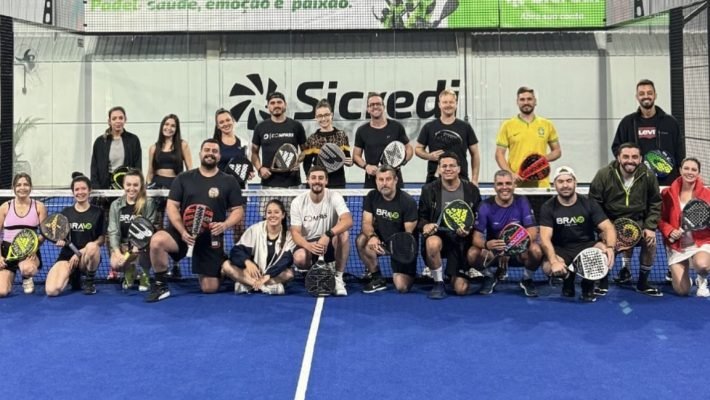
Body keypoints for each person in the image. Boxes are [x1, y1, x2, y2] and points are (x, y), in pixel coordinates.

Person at [146, 139, 246, 302]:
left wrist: (225, 225)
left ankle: (222, 264)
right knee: (157, 241)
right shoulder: (183, 178)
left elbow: (238, 210)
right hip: (184, 232)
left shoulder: (229, 181)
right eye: (207, 150)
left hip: (210, 236)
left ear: (219, 156)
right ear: (200, 153)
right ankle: (160, 285)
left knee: (209, 288)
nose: (210, 153)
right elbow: (172, 206)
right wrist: (182, 231)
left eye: (214, 151)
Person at [589, 142, 662, 296]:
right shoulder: (603, 175)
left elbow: (655, 203)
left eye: (635, 157)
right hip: (610, 223)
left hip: (639, 223)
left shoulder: (648, 175)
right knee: (604, 246)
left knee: (651, 243)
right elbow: (594, 204)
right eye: (626, 156)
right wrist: (603, 228)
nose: (630, 160)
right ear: (618, 158)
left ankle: (642, 283)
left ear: (640, 159)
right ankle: (602, 282)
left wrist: (650, 227)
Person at [540, 167, 616, 302]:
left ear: (575, 182)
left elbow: (608, 227)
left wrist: (610, 247)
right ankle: (568, 279)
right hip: (561, 249)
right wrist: (554, 261)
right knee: (547, 267)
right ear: (554, 185)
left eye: (569, 181)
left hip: (586, 247)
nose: (565, 185)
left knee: (604, 251)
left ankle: (588, 284)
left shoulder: (589, 203)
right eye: (560, 181)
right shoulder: (548, 207)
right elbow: (545, 239)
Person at [467, 170, 542, 297]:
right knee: (472, 254)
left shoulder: (522, 201)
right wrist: (487, 244)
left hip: (518, 251)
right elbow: (476, 237)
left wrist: (512, 247)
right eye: (500, 184)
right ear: (494, 186)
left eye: (508, 183)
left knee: (536, 250)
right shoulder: (485, 205)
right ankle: (489, 276)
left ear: (514, 185)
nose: (504, 187)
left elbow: (533, 232)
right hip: (495, 254)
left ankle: (526, 279)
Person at [418, 152, 481, 299]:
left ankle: (466, 272)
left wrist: (469, 229)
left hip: (460, 242)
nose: (448, 169)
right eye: (444, 166)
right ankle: (438, 282)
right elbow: (421, 218)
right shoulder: (428, 190)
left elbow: (478, 218)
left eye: (452, 166)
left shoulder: (471, 190)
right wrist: (425, 226)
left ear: (459, 169)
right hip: (439, 236)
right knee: (432, 243)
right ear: (439, 169)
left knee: (461, 289)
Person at [291, 166, 353, 296]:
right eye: (313, 178)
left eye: (320, 178)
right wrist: (308, 245)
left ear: (326, 181)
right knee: (299, 258)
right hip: (310, 245)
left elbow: (348, 221)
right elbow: (295, 233)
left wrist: (327, 235)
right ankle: (312, 271)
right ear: (308, 180)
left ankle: (338, 277)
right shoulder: (297, 202)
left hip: (329, 242)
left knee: (344, 234)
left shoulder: (335, 196)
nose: (317, 181)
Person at [356, 165, 418, 293]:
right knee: (362, 240)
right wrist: (372, 236)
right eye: (381, 179)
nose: (384, 183)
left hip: (402, 246)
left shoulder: (407, 202)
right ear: (376, 181)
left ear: (396, 180)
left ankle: (407, 271)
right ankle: (377, 277)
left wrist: (393, 248)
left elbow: (407, 235)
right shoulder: (372, 196)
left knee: (401, 287)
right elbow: (366, 222)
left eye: (388, 179)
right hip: (382, 241)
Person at [611, 79, 684, 187]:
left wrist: (680, 175)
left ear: (655, 95)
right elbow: (617, 148)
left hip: (666, 182)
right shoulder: (627, 123)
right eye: (641, 93)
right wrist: (630, 165)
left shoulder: (670, 122)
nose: (646, 96)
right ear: (637, 97)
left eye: (649, 93)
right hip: (636, 181)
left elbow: (679, 151)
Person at [45, 173, 105, 296]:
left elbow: (101, 239)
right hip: (67, 256)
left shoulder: (98, 212)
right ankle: (73, 276)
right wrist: (60, 241)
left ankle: (89, 282)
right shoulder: (66, 212)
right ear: (73, 192)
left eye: (83, 188)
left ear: (89, 190)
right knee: (52, 291)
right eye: (77, 189)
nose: (80, 192)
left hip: (86, 257)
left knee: (93, 247)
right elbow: (60, 234)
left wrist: (81, 252)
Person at [658, 158, 710, 297]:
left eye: (694, 169)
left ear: (698, 173)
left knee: (702, 265)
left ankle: (702, 279)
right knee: (682, 290)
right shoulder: (667, 193)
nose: (690, 172)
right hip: (677, 245)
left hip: (701, 242)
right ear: (680, 170)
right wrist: (669, 231)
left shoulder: (707, 195)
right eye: (686, 168)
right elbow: (660, 219)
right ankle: (687, 280)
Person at [222, 199, 295, 295]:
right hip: (253, 273)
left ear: (283, 215)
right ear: (265, 215)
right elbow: (236, 251)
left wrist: (269, 275)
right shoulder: (255, 229)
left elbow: (286, 260)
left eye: (276, 212)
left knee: (289, 274)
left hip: (272, 275)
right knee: (226, 265)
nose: (272, 215)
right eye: (269, 212)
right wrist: (247, 262)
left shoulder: (289, 236)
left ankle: (247, 285)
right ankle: (263, 287)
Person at [495, 86, 561, 188]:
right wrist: (511, 174)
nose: (526, 102)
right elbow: (499, 154)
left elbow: (557, 151)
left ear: (535, 101)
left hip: (541, 184)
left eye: (529, 99)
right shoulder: (507, 125)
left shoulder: (547, 124)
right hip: (517, 184)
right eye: (522, 99)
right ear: (517, 102)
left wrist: (540, 161)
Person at [416, 88, 480, 184]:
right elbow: (418, 149)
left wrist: (475, 179)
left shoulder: (465, 127)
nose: (448, 105)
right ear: (439, 105)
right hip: (434, 180)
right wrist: (429, 156)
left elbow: (475, 154)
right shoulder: (429, 127)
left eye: (451, 102)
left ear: (456, 104)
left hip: (461, 179)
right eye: (445, 102)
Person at [107, 169, 157, 292]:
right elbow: (113, 231)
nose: (131, 188)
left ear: (141, 186)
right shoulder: (115, 205)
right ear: (123, 185)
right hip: (124, 245)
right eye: (128, 184)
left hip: (143, 245)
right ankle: (130, 270)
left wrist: (138, 244)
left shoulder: (149, 203)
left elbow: (149, 227)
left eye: (135, 185)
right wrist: (117, 253)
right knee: (115, 264)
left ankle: (145, 273)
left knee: (151, 244)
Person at [353, 92, 413, 189]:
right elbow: (356, 156)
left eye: (378, 104)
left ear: (383, 107)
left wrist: (402, 162)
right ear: (368, 109)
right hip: (371, 182)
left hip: (394, 182)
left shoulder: (396, 127)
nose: (375, 107)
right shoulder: (362, 131)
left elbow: (409, 148)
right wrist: (366, 166)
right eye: (372, 105)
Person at [0, 173, 47, 296]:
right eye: (18, 185)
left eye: (26, 184)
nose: (22, 188)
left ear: (31, 187)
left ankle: (26, 277)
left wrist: (34, 248)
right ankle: (9, 276)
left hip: (28, 252)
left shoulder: (39, 207)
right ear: (13, 188)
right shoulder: (4, 207)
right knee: (2, 291)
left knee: (28, 269)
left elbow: (44, 233)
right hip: (7, 251)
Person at [251, 92, 307, 189]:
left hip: (292, 184)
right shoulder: (260, 127)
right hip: (268, 184)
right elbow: (254, 153)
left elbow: (306, 150)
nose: (276, 105)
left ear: (285, 104)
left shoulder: (296, 126)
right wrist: (260, 169)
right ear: (268, 106)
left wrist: (297, 161)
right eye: (272, 103)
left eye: (279, 102)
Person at [301, 99, 353, 188]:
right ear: (316, 117)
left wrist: (350, 163)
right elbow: (307, 164)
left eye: (326, 115)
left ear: (331, 115)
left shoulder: (342, 135)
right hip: (318, 184)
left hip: (337, 183)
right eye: (320, 116)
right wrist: (310, 181)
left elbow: (347, 159)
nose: (323, 119)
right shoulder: (312, 139)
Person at [90, 106, 142, 189]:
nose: (118, 121)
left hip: (127, 187)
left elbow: (137, 166)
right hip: (104, 186)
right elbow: (94, 167)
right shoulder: (100, 142)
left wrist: (136, 185)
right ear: (109, 121)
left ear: (125, 120)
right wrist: (95, 187)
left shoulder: (133, 140)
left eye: (121, 118)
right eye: (114, 119)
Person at [147, 113, 192, 190]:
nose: (169, 128)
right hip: (156, 185)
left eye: (173, 126)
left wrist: (189, 186)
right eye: (166, 124)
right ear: (162, 126)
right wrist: (147, 187)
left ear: (176, 129)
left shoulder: (183, 145)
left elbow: (190, 169)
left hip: (175, 184)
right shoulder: (153, 148)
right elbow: (150, 172)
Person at [213, 108, 254, 189]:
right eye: (221, 122)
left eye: (228, 120)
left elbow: (247, 167)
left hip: (239, 190)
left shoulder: (244, 144)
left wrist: (249, 174)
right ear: (218, 126)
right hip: (219, 189)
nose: (225, 124)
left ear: (233, 121)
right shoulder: (214, 145)